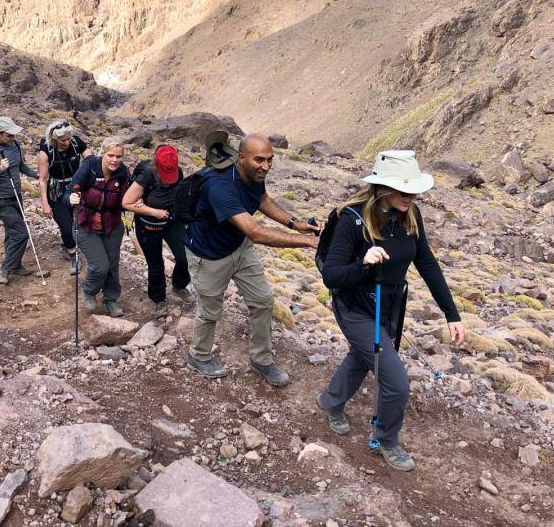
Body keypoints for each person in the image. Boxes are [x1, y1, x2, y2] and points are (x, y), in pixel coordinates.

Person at [317, 150, 465, 472]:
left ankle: (330, 402)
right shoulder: (351, 220)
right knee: (397, 382)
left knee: (362, 356)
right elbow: (331, 275)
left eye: (414, 190)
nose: (412, 196)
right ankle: (386, 439)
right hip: (354, 308)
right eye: (404, 190)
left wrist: (451, 314)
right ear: (384, 187)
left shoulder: (410, 216)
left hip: (389, 308)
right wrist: (363, 263)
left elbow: (426, 263)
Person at [183, 132, 320, 387]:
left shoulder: (255, 176)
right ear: (241, 158)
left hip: (238, 246)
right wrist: (308, 242)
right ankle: (198, 357)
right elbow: (255, 232)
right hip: (209, 255)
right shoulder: (219, 186)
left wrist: (295, 223)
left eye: (270, 160)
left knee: (263, 301)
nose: (266, 166)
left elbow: (262, 199)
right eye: (259, 160)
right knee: (210, 310)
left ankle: (261, 360)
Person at [122, 144, 195, 318]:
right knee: (156, 265)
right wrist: (154, 212)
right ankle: (159, 299)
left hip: (171, 223)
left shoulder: (178, 171)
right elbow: (126, 203)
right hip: (148, 227)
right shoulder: (147, 175)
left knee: (185, 257)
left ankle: (179, 285)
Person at [64, 137, 130, 317]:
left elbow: (128, 197)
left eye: (119, 156)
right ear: (103, 153)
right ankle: (89, 290)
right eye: (111, 155)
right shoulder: (90, 165)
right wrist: (71, 197)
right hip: (85, 223)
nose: (115, 160)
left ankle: (111, 299)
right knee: (100, 265)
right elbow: (71, 189)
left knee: (112, 265)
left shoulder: (123, 172)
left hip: (112, 224)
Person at [0, 116, 40, 284]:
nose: (13, 139)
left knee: (12, 232)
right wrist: (0, 169)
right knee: (21, 233)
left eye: (14, 135)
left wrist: (35, 175)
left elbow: (20, 166)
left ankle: (16, 265)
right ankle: (5, 268)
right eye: (9, 135)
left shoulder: (16, 146)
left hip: (15, 196)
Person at [37, 119, 91, 274]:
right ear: (54, 139)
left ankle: (66, 244)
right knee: (66, 227)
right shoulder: (46, 151)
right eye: (63, 140)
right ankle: (73, 255)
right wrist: (45, 204)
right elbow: (42, 179)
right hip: (56, 192)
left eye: (68, 138)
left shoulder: (76, 143)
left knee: (76, 223)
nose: (67, 142)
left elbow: (91, 160)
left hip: (75, 188)